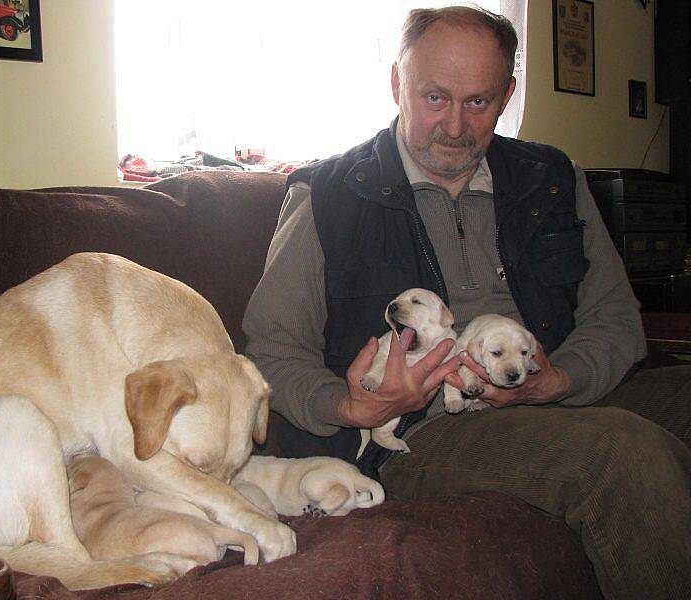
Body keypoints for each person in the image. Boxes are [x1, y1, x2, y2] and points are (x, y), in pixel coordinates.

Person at [243, 6, 691, 599]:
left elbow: (615, 319)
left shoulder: (553, 178)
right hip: (422, 428)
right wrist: (352, 407)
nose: (454, 126)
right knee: (620, 454)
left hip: (550, 388)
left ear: (507, 94)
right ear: (397, 83)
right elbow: (270, 352)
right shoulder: (324, 195)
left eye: (478, 102)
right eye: (434, 98)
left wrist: (557, 380)